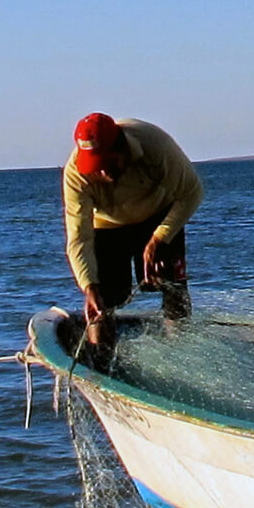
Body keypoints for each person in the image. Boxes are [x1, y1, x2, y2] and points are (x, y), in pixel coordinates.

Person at [62, 113, 204, 352]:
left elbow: (192, 193)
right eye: (97, 168)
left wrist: (159, 239)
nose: (104, 174)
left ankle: (181, 351)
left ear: (122, 147)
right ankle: (102, 359)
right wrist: (89, 287)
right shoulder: (75, 174)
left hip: (157, 215)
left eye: (108, 164)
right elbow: (79, 237)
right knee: (103, 300)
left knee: (171, 287)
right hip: (107, 225)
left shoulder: (156, 146)